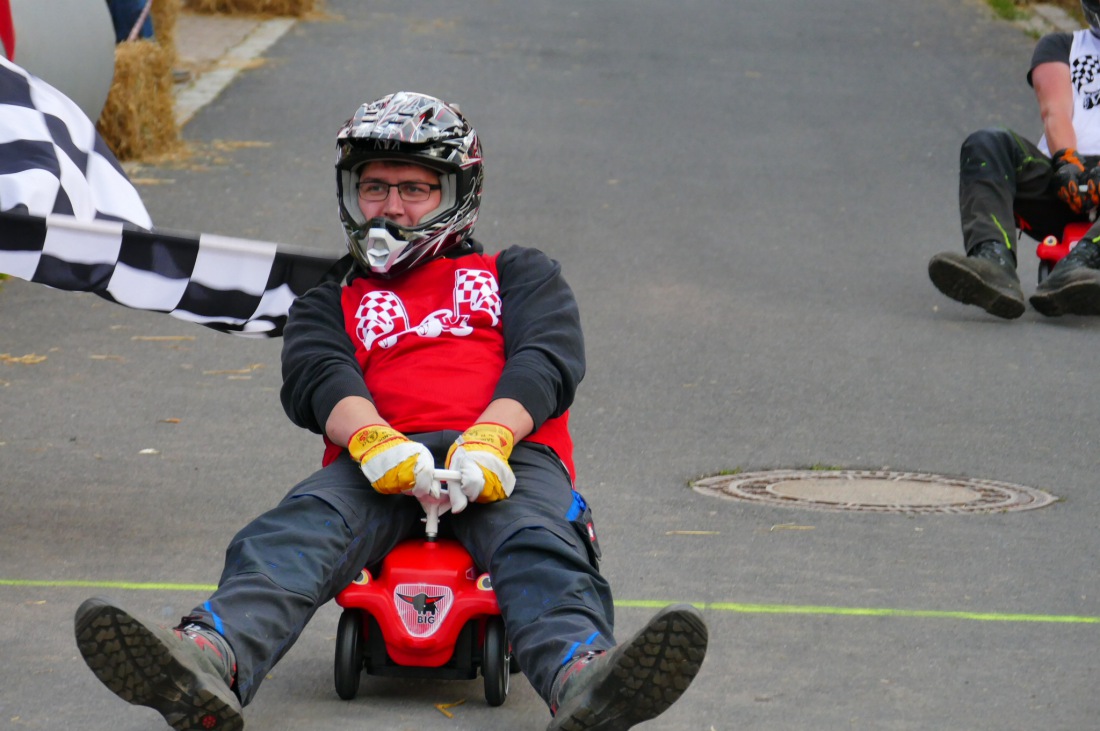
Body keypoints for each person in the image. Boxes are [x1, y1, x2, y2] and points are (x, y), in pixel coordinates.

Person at [72, 91, 709, 731]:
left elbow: (549, 357)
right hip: (377, 459)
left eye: (414, 189)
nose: (391, 207)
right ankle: (208, 656)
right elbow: (319, 377)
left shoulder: (516, 272)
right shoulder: (329, 299)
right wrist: (377, 443)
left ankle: (584, 676)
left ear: (457, 193)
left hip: (504, 457)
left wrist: (491, 436)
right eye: (374, 188)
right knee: (292, 533)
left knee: (538, 542)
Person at [928, 0, 1100, 319]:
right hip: (1064, 179)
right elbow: (1055, 110)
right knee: (987, 142)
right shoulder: (1062, 46)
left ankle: (1084, 266)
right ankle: (993, 262)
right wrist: (1068, 162)